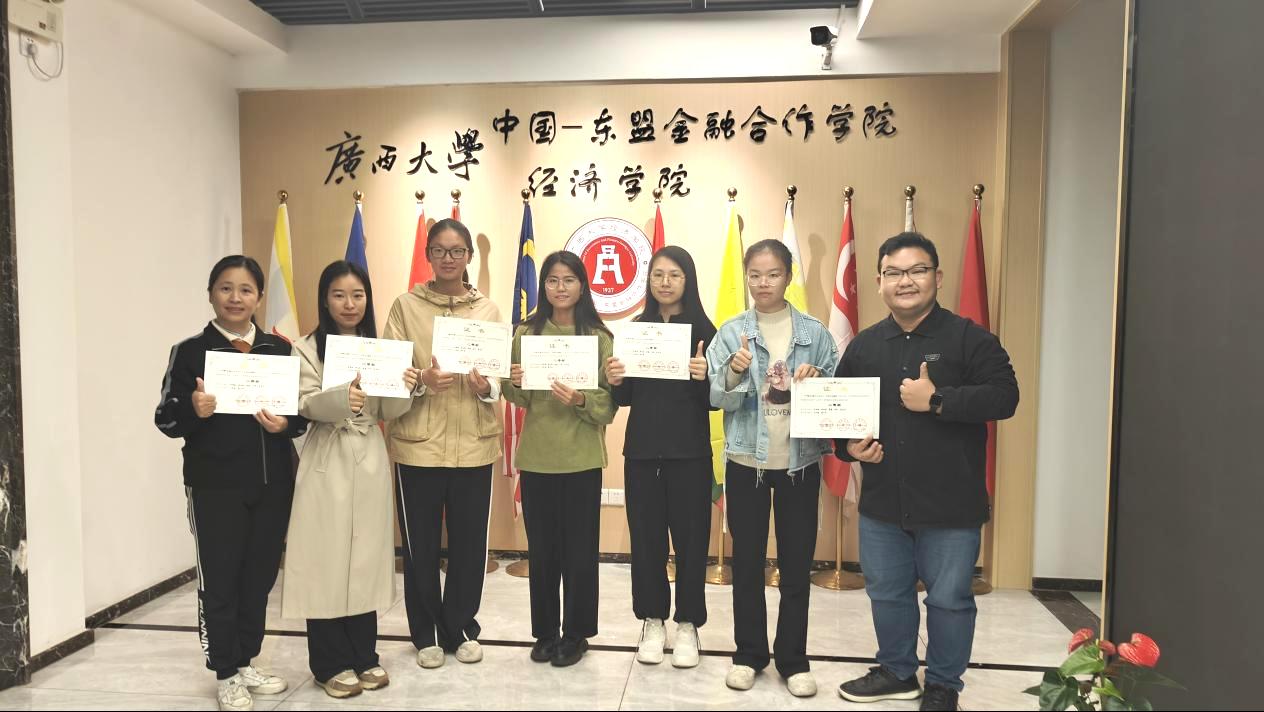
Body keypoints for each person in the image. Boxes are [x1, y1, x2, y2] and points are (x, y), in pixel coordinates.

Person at [833, 232, 1019, 712]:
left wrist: (937, 400)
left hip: (951, 504)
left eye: (917, 270)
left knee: (950, 599)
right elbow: (840, 414)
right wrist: (848, 448)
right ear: (879, 282)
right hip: (883, 503)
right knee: (887, 593)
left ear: (937, 277)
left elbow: (1005, 397)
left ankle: (942, 685)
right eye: (893, 273)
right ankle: (896, 672)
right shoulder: (865, 346)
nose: (906, 281)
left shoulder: (969, 338)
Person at [154, 255, 306, 712]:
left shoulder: (279, 349)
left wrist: (286, 424)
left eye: (245, 289)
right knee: (220, 580)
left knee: (259, 578)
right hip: (214, 487)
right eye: (225, 288)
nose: (235, 298)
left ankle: (245, 661)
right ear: (211, 294)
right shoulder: (190, 350)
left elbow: (300, 414)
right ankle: (225, 672)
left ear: (259, 297)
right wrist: (193, 409)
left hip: (272, 484)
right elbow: (166, 418)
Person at [706, 239, 839, 698]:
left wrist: (819, 381)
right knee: (746, 563)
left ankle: (793, 660)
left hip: (800, 463)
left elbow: (838, 396)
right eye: (755, 275)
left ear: (788, 276)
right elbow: (714, 397)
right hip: (747, 463)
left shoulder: (815, 333)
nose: (763, 283)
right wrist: (733, 371)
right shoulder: (732, 332)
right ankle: (748, 655)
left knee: (797, 564)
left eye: (773, 274)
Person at [283, 260, 419, 698]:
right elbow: (303, 403)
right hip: (328, 454)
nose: (349, 304)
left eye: (357, 295)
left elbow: (387, 411)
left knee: (365, 558)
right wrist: (342, 397)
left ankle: (364, 654)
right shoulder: (306, 348)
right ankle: (328, 662)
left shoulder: (379, 348)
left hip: (369, 454)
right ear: (325, 300)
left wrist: (405, 386)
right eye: (339, 295)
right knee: (326, 558)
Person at [383, 218, 504, 669]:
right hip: (419, 444)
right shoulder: (405, 306)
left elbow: (500, 380)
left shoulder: (488, 311)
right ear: (428, 255)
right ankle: (427, 634)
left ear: (469, 256)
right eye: (439, 250)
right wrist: (421, 380)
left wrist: (485, 388)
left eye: (457, 251)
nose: (448, 259)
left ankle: (462, 628)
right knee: (421, 548)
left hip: (474, 444)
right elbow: (390, 373)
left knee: (471, 546)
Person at [502, 251, 617, 668]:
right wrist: (513, 381)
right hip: (537, 458)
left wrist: (582, 398)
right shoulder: (526, 333)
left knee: (580, 554)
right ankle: (546, 633)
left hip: (582, 458)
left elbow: (609, 405)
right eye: (552, 280)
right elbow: (515, 395)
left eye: (569, 280)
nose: (560, 287)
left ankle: (576, 635)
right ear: (544, 287)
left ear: (582, 286)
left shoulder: (599, 337)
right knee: (543, 553)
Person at [604, 246, 716, 668]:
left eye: (674, 275)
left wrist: (704, 378)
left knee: (691, 542)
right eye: (657, 275)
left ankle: (687, 623)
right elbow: (626, 398)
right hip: (642, 452)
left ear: (688, 280)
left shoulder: (706, 330)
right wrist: (616, 379)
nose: (665, 282)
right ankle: (652, 620)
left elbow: (716, 401)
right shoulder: (636, 330)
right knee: (647, 541)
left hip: (690, 453)